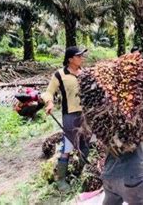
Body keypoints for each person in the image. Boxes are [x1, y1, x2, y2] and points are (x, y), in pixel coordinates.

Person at [41, 46, 90, 192]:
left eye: (82, 56)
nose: (82, 58)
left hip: (86, 116)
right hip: (70, 116)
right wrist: (49, 103)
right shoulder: (59, 75)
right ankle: (61, 180)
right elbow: (48, 92)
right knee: (67, 147)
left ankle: (78, 172)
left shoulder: (85, 73)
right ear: (70, 59)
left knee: (85, 146)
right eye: (79, 56)